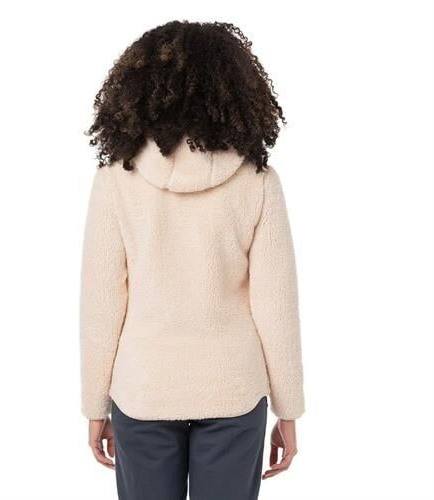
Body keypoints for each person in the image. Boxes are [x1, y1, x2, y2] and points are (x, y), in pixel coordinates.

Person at [80, 20, 305, 500]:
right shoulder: (258, 182)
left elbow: (102, 305)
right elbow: (277, 308)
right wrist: (289, 410)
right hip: (233, 389)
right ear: (237, 90)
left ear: (138, 90)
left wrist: (95, 404)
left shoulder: (115, 181)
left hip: (144, 389)